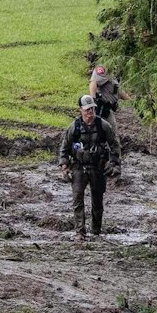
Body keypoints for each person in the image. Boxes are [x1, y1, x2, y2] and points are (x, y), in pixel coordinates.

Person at [58, 94, 121, 238]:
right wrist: (64, 167)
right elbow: (64, 148)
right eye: (87, 110)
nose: (90, 113)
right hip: (78, 167)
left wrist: (114, 164)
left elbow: (114, 145)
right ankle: (80, 232)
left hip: (98, 167)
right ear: (81, 110)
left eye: (92, 109)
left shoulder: (103, 125)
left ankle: (96, 231)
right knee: (77, 199)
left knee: (97, 201)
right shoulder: (74, 127)